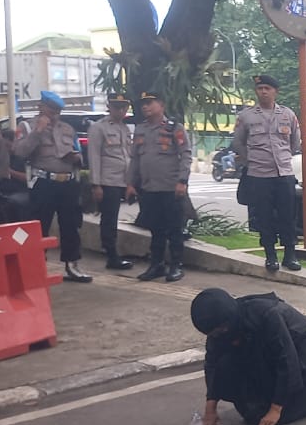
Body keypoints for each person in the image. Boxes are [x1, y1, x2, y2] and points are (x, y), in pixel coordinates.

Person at [190, 288, 306, 425]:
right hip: (269, 357)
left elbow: (287, 360)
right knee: (230, 369)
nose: (220, 334)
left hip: (305, 357)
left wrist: (275, 409)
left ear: (228, 321)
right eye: (214, 333)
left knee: (274, 414)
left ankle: (289, 401)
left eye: (222, 330)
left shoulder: (267, 315)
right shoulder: (221, 327)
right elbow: (213, 363)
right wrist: (210, 408)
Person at [12, 90, 92, 283]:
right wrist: (38, 131)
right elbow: (19, 152)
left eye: (57, 110)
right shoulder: (27, 126)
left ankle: (72, 265)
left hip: (67, 182)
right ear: (41, 106)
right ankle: (37, 265)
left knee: (71, 225)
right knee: (40, 226)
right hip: (44, 182)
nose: (55, 114)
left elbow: (79, 153)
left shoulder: (67, 129)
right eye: (51, 109)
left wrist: (76, 158)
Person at [233, 74, 302, 272]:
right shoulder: (246, 116)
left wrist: (283, 156)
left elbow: (295, 142)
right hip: (259, 175)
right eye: (260, 88)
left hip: (283, 174)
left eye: (267, 88)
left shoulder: (288, 115)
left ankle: (290, 255)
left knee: (288, 216)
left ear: (275, 91)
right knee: (264, 217)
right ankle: (270, 256)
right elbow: (238, 142)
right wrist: (252, 160)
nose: (263, 91)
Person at [128, 91, 191, 282]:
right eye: (143, 104)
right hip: (149, 188)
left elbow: (186, 155)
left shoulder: (174, 128)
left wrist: (182, 181)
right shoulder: (140, 129)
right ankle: (156, 265)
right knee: (155, 230)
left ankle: (176, 266)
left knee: (174, 228)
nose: (145, 107)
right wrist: (131, 184)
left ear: (161, 105)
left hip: (171, 187)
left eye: (150, 103)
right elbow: (135, 160)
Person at [86, 92, 135, 270]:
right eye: (117, 107)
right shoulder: (99, 128)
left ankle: (114, 253)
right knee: (109, 219)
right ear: (110, 107)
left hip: (124, 180)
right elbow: (94, 157)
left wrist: (131, 182)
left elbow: (128, 156)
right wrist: (96, 184)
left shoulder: (125, 129)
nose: (121, 111)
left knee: (115, 217)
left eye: (124, 107)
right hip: (108, 181)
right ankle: (111, 254)